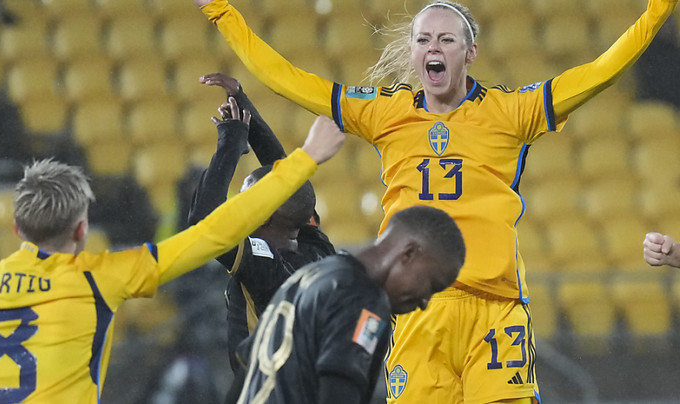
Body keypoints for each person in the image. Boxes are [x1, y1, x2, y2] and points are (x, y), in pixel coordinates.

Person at [190, 0, 679, 402]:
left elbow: (601, 72)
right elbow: (291, 80)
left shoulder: (512, 112)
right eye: (424, 39)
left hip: (495, 310)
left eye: (446, 39)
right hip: (415, 310)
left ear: (471, 52)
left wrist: (658, 9)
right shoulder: (386, 113)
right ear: (412, 52)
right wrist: (222, 13)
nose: (434, 48)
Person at [0, 99, 345, 403]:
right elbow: (212, 232)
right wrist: (306, 158)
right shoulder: (102, 277)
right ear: (82, 229)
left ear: (17, 227)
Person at [227, 205, 466, 404]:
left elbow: (246, 368)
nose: (425, 302)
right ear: (409, 254)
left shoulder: (311, 275)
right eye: (431, 284)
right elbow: (340, 391)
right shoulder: (365, 300)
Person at [186, 73, 336, 376]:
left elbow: (203, 223)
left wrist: (230, 144)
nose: (238, 204)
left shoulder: (264, 266)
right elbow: (288, 182)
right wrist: (242, 105)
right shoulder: (317, 249)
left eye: (248, 198)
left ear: (264, 215)